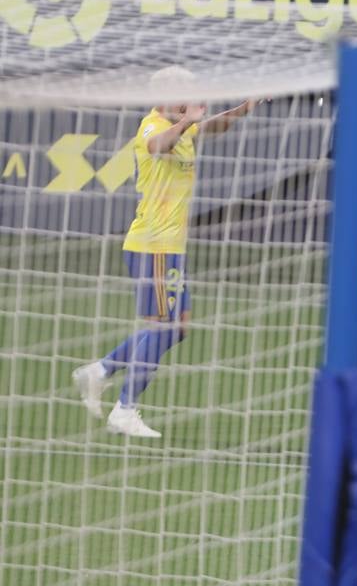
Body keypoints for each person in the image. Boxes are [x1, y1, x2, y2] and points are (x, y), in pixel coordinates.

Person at [73, 67, 254, 439]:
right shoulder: (152, 126)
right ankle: (124, 410)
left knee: (179, 326)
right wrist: (186, 121)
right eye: (184, 94)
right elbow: (159, 146)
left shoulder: (184, 128)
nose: (191, 100)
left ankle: (102, 371)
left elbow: (213, 126)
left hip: (170, 248)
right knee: (163, 326)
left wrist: (241, 109)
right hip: (152, 245)